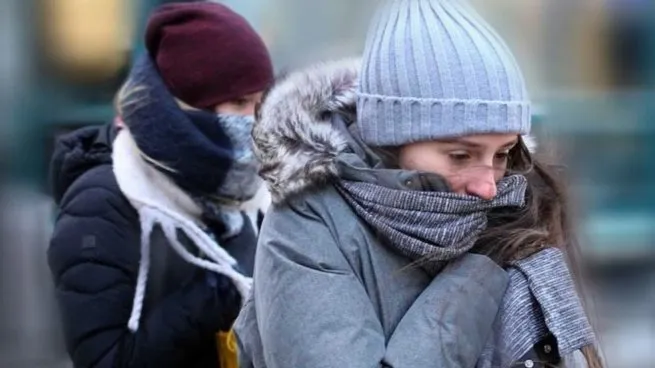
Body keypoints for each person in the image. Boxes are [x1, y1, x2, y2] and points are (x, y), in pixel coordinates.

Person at [235, 1, 603, 367]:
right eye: (460, 156)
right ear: (392, 140)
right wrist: (477, 273)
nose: (489, 187)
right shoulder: (306, 222)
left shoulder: (514, 208)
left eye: (502, 154)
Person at [47, 2, 273, 367]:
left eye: (260, 103)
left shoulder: (249, 195)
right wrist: (216, 295)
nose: (255, 120)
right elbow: (103, 360)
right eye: (239, 102)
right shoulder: (101, 204)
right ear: (186, 107)